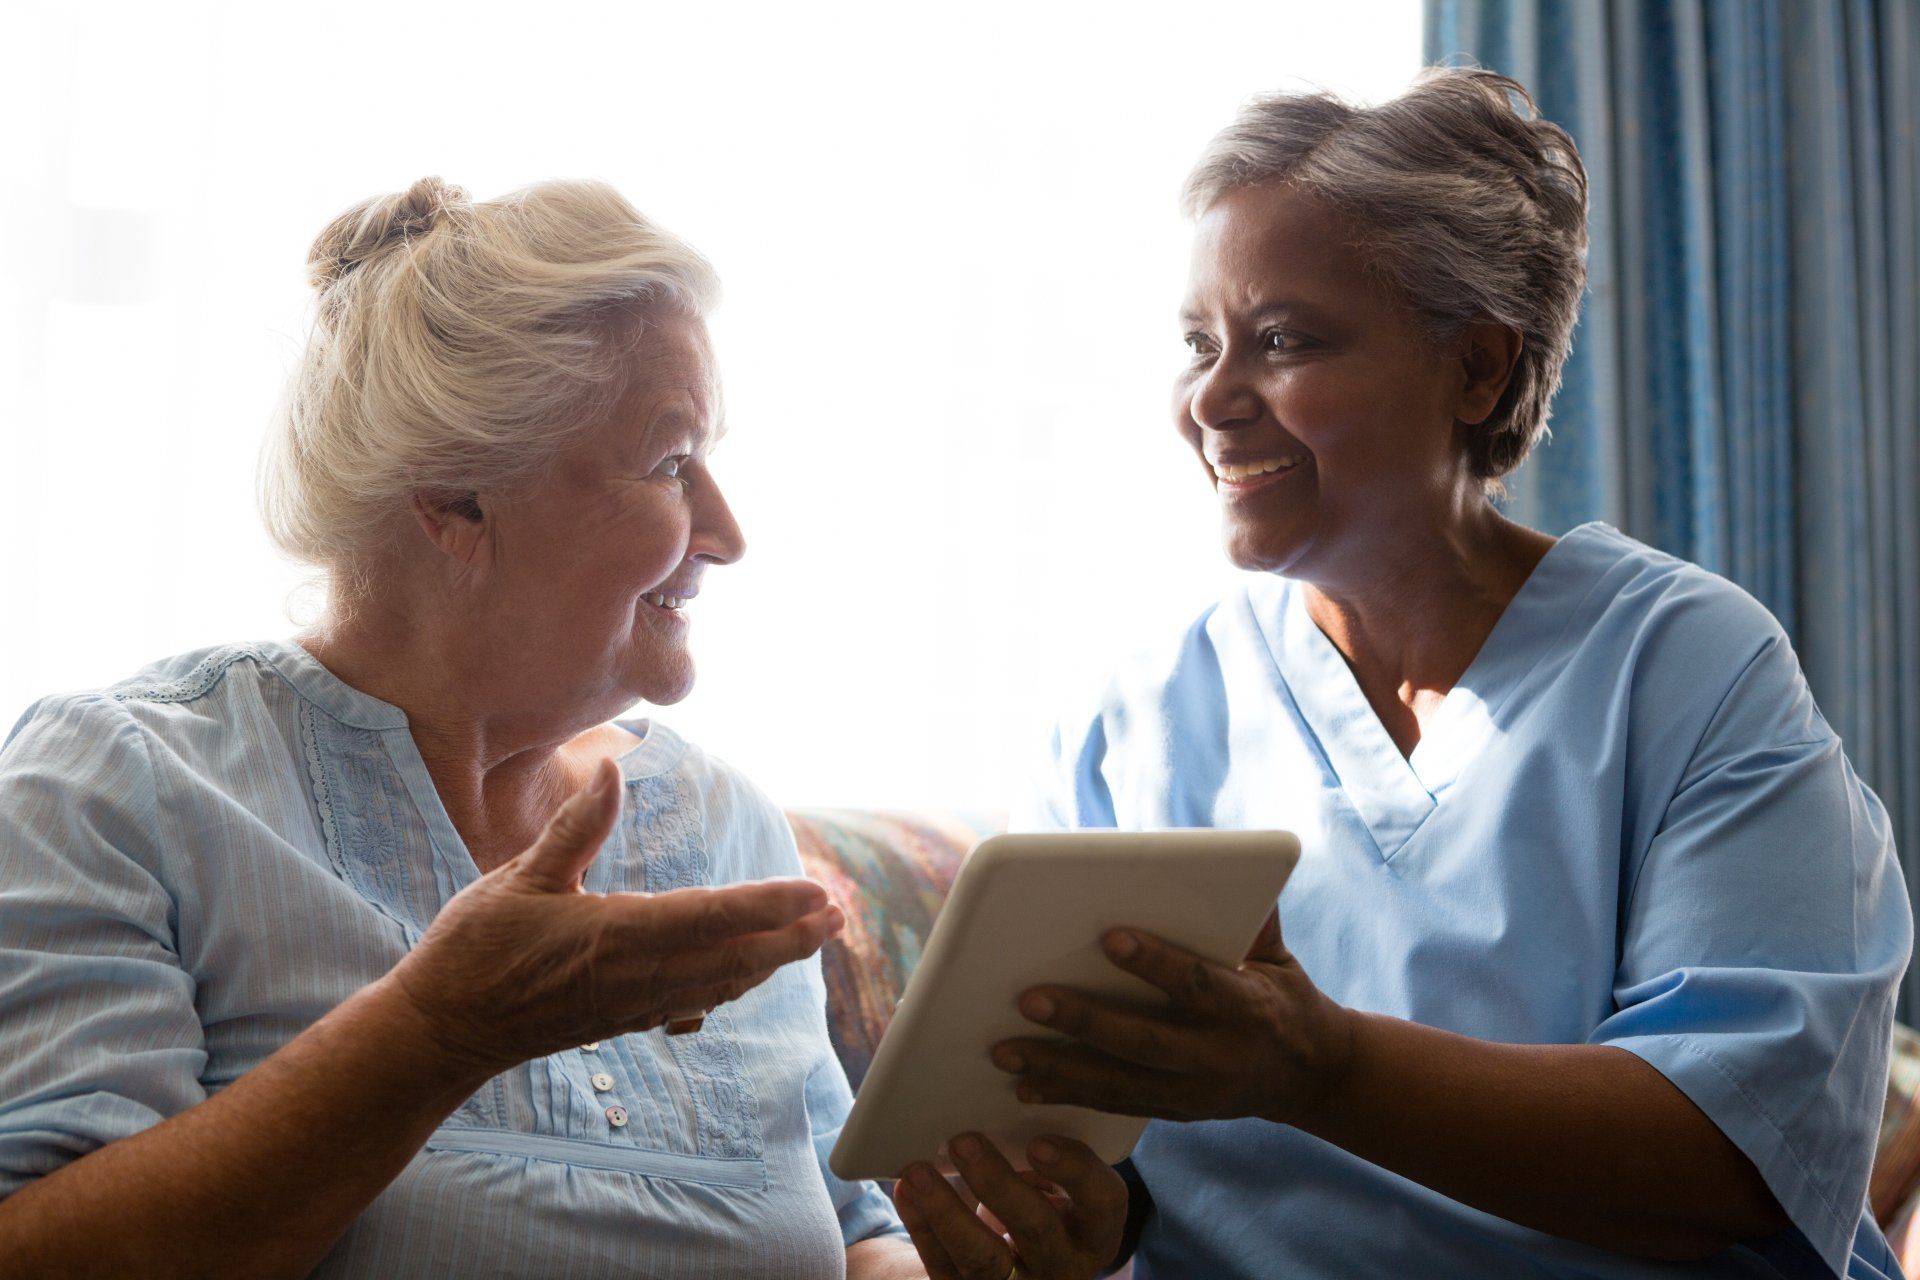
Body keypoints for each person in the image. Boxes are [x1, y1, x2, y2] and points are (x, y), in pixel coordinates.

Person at [0, 177, 1121, 1279]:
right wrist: (436, 1031)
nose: (727, 533)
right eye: (672, 462)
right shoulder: (117, 786)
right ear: (455, 497)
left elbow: (849, 1229)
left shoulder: (723, 821)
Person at [1002, 70, 1912, 1279]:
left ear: (1477, 368)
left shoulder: (1684, 664)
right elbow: (1080, 1145)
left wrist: (1318, 1064)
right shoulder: (1133, 723)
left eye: (1282, 341)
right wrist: (1076, 1219)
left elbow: (1738, 1157)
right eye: (1197, 344)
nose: (1211, 400)